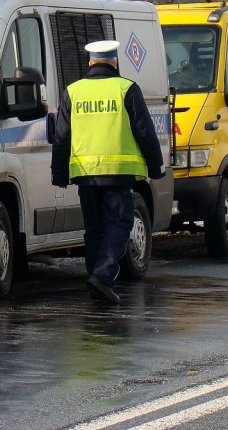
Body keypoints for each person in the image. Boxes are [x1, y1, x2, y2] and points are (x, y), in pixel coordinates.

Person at [51, 40, 165, 304]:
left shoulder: (73, 91)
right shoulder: (126, 88)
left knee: (94, 228)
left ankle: (96, 277)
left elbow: (61, 137)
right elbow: (145, 131)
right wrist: (156, 165)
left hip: (85, 173)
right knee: (119, 224)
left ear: (91, 62)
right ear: (114, 62)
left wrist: (59, 173)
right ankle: (102, 278)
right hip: (118, 172)